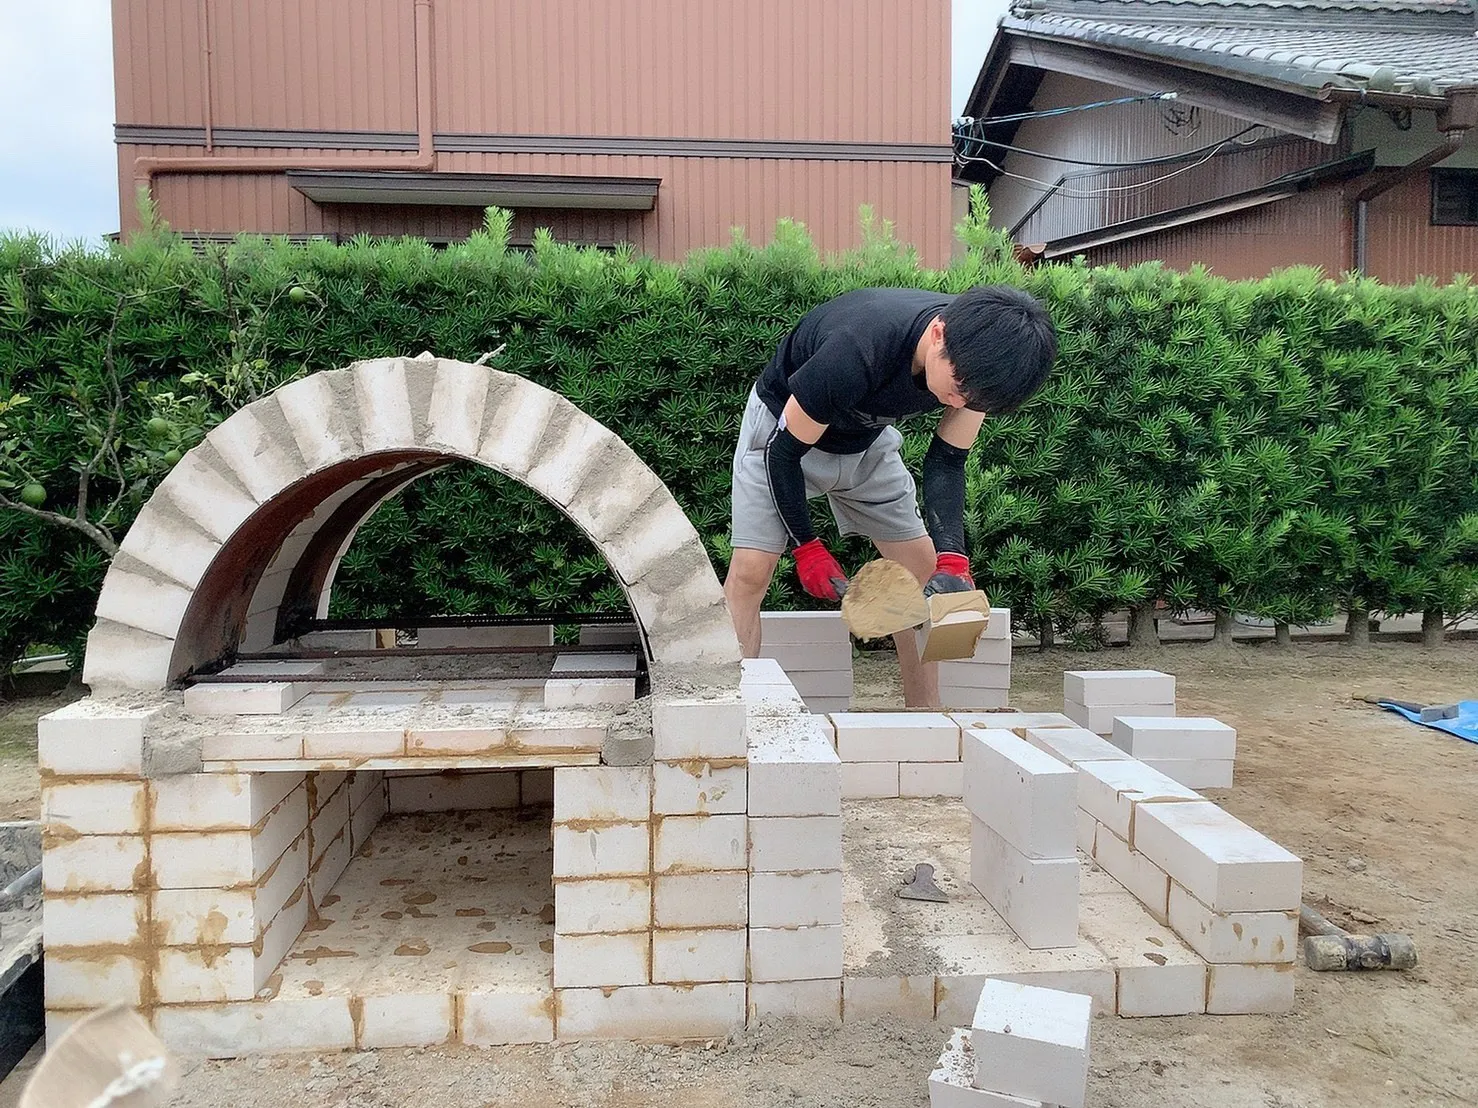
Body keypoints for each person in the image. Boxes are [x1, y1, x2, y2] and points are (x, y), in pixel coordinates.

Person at [723, 284, 1057, 706]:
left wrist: (953, 558)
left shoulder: (978, 364)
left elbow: (947, 461)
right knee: (751, 571)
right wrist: (806, 547)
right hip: (783, 433)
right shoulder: (857, 346)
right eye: (957, 386)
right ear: (937, 333)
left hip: (866, 442)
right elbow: (784, 453)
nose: (959, 401)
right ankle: (728, 711)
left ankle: (924, 715)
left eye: (974, 399)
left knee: (922, 569)